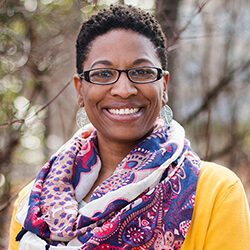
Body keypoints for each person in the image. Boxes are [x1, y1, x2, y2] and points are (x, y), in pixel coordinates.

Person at [9, 4, 250, 250]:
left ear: (164, 85)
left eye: (142, 71)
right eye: (103, 74)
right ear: (80, 90)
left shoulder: (215, 193)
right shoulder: (32, 205)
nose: (124, 90)